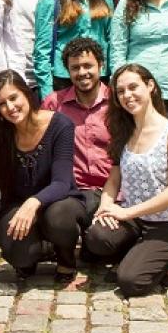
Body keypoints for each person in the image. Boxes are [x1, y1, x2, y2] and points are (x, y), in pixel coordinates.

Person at [82, 64, 168, 297]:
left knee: (131, 282)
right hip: (136, 220)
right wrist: (106, 204)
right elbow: (114, 177)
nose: (127, 95)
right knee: (96, 237)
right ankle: (140, 252)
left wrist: (125, 213)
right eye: (121, 91)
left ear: (150, 86)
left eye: (133, 87)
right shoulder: (124, 130)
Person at [0, 71, 83, 282]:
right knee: (21, 257)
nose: (10, 107)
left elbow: (61, 182)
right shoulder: (0, 131)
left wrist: (33, 203)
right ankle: (42, 248)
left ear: (27, 94)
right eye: (2, 104)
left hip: (60, 200)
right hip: (16, 203)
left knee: (58, 218)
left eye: (14, 98)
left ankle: (66, 258)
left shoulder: (60, 125)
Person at [42, 38, 113, 243]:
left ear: (101, 65)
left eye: (88, 65)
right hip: (72, 193)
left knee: (103, 242)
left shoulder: (118, 102)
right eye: (75, 68)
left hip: (112, 193)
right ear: (68, 71)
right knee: (56, 219)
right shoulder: (54, 104)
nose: (82, 72)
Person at [34, 0, 114, 98]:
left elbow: (111, 41)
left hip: (100, 77)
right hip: (64, 79)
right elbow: (42, 51)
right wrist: (47, 94)